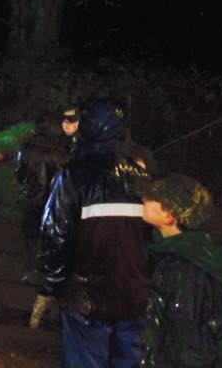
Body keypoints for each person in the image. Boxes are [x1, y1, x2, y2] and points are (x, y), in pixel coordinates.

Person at [36, 98, 151, 367]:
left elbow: (54, 234)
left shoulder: (73, 176)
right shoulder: (140, 177)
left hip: (86, 300)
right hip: (134, 297)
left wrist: (48, 287)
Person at [140, 173, 222, 368]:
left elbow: (185, 338)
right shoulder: (195, 251)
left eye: (154, 199)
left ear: (169, 215)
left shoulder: (182, 268)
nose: (144, 200)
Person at [15, 107, 75, 285]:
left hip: (31, 198)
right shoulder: (56, 149)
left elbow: (18, 173)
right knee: (50, 237)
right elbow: (62, 174)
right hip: (51, 200)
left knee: (30, 237)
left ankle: (31, 271)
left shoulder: (25, 148)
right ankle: (48, 272)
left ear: (33, 128)